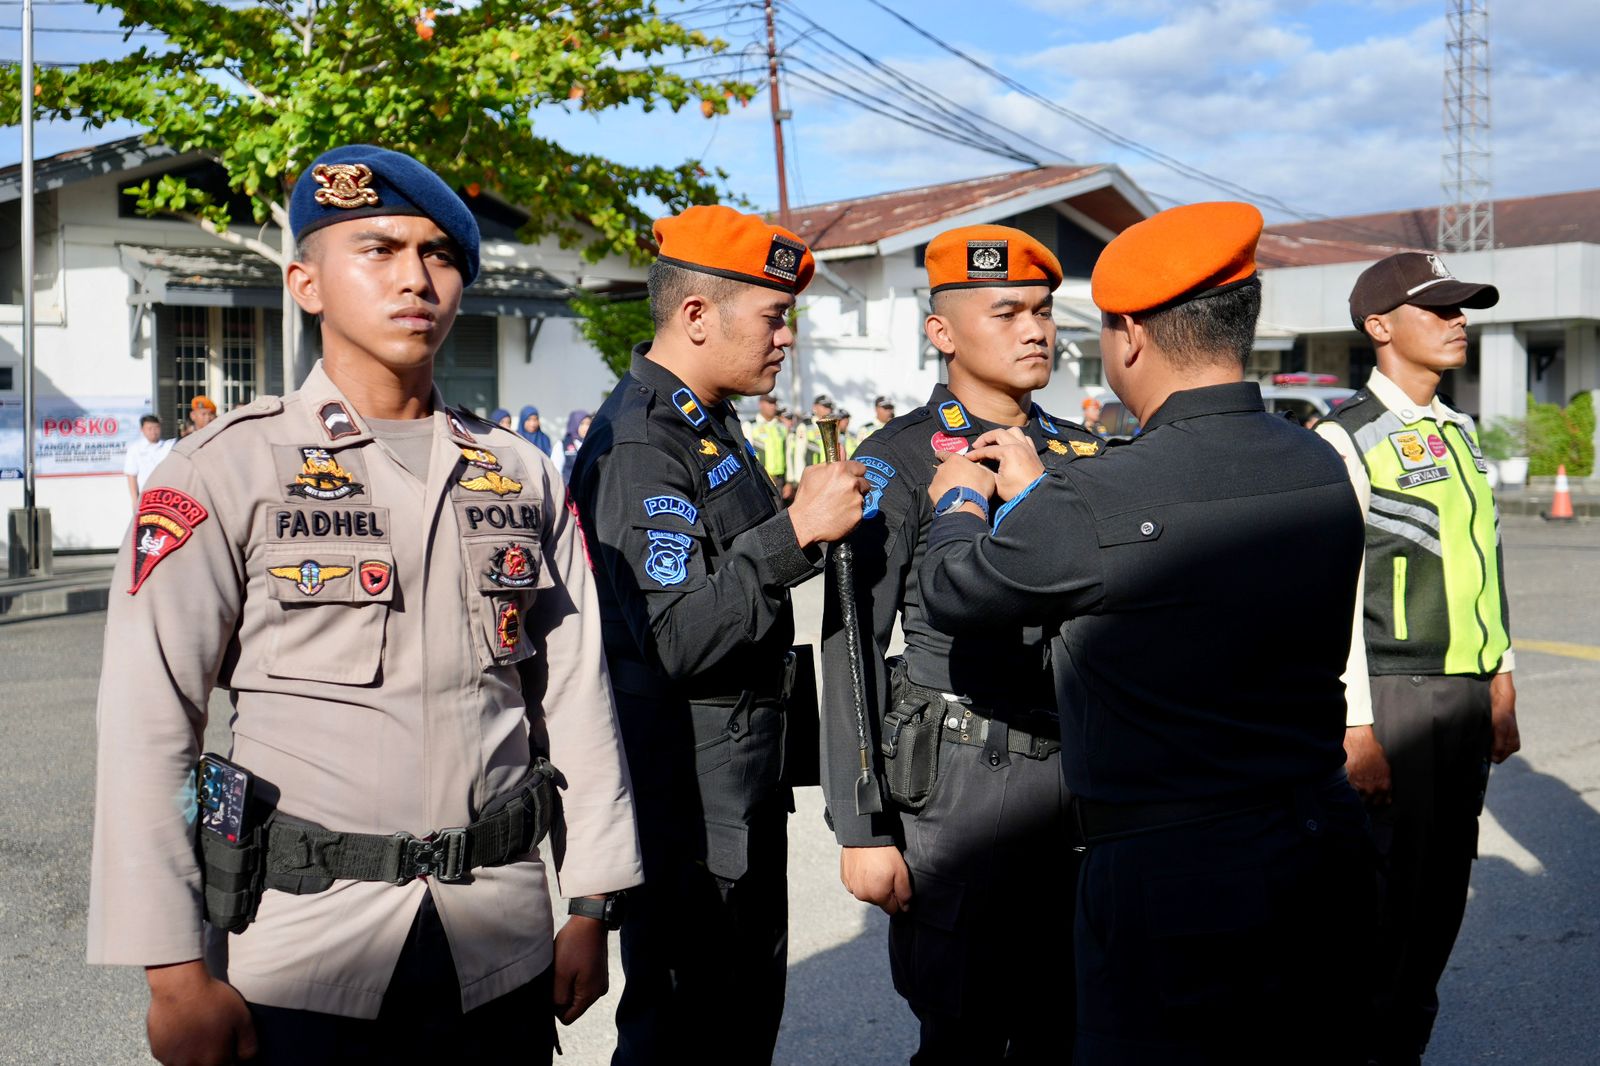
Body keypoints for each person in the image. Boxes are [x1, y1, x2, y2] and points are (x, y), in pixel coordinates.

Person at [87, 145, 639, 1065]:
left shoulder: (518, 472)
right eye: (378, 250)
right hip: (303, 952)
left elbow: (574, 693)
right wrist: (174, 973)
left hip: (496, 944)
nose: (415, 279)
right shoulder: (225, 468)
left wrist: (590, 902)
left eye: (439, 255)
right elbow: (150, 720)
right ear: (305, 283)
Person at [918, 202, 1374, 1064]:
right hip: (1319, 838)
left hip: (1173, 870)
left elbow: (956, 587)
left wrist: (962, 503)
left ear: (1129, 336)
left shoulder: (1101, 492)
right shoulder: (1315, 461)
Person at [568, 204, 869, 1065]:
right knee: (686, 1037)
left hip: (740, 788)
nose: (787, 339)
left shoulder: (710, 422)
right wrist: (797, 531)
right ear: (697, 315)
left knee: (739, 1030)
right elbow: (674, 634)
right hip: (691, 812)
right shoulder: (641, 443)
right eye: (773, 318)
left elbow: (732, 566)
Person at [822, 225, 1103, 1065]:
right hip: (961, 785)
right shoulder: (900, 459)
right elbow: (852, 645)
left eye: (1043, 311)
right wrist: (862, 826)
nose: (1036, 330)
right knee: (962, 1035)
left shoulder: (1082, 452)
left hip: (1080, 781)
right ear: (941, 331)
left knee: (1072, 1026)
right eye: (1007, 312)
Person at [1315, 252, 1521, 1066]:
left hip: (1464, 697)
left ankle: (1405, 1047)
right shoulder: (1344, 438)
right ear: (1379, 327)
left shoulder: (1460, 432)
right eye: (1438, 309)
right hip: (1395, 698)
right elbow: (1334, 596)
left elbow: (1486, 564)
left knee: (1438, 902)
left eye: (1461, 308)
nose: (1457, 321)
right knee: (1384, 907)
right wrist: (1355, 725)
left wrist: (1503, 679)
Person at [751, 391, 794, 501]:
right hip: (759, 479)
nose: (773, 406)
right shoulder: (750, 426)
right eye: (770, 403)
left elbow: (788, 455)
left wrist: (789, 481)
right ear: (761, 404)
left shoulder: (781, 427)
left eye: (774, 403)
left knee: (779, 510)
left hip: (779, 480)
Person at [124, 413, 174, 505]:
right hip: (146, 497)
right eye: (149, 428)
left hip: (167, 496)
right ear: (142, 430)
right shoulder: (135, 449)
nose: (153, 431)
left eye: (156, 428)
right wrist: (135, 500)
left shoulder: (169, 446)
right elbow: (131, 475)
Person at [561, 410, 590, 482]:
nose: (586, 427)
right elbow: (555, 470)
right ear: (574, 424)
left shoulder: (592, 443)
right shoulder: (562, 444)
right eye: (582, 424)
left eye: (588, 424)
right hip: (568, 487)